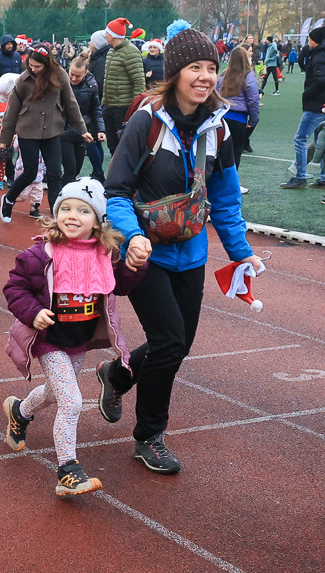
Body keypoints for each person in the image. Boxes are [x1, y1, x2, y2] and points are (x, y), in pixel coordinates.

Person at [101, 24, 262, 473]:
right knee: (170, 341)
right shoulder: (146, 122)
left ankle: (115, 375)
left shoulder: (219, 130)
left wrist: (240, 252)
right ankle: (149, 437)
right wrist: (132, 237)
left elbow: (227, 199)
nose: (206, 76)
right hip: (143, 253)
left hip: (190, 252)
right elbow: (116, 191)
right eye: (195, 67)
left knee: (178, 343)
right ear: (174, 73)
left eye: (212, 67)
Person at [2, 178, 147, 495]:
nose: (72, 215)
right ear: (55, 213)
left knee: (55, 394)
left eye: (83, 210)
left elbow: (119, 285)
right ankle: (68, 470)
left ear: (97, 221)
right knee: (71, 401)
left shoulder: (105, 254)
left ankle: (20, 411)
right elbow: (15, 288)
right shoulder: (41, 254)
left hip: (78, 340)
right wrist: (32, 312)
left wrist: (136, 265)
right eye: (65, 208)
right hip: (49, 340)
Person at [0, 45, 91, 222]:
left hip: (53, 131)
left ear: (47, 64)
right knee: (30, 173)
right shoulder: (23, 80)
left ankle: (56, 216)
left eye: (37, 66)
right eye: (30, 65)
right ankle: (9, 199)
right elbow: (12, 110)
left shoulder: (60, 75)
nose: (33, 69)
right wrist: (5, 138)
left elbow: (71, 104)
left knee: (55, 173)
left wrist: (82, 130)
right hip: (28, 131)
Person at [280, 27, 325, 189]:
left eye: (310, 39)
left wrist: (307, 94)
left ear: (316, 40)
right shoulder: (318, 53)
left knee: (300, 138)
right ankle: (323, 178)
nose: (308, 42)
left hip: (316, 105)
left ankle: (300, 176)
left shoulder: (319, 55)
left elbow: (320, 80)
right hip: (321, 104)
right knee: (321, 141)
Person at [101, 18, 146, 155]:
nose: (105, 36)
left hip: (123, 108)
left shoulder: (131, 52)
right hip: (109, 106)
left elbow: (139, 81)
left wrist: (134, 108)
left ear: (114, 35)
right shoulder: (111, 51)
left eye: (107, 33)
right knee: (112, 145)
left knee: (124, 146)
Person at [61, 53, 106, 185]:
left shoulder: (91, 85)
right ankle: (59, 197)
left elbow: (96, 109)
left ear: (85, 73)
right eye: (71, 74)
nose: (73, 78)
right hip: (63, 131)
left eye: (78, 76)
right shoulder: (61, 82)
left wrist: (100, 129)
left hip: (82, 131)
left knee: (76, 169)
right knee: (70, 169)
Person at [217, 46, 259, 183]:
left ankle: (217, 184)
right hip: (238, 120)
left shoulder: (223, 75)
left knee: (220, 153)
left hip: (222, 118)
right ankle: (231, 185)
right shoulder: (248, 75)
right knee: (235, 153)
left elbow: (216, 96)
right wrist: (253, 120)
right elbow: (253, 99)